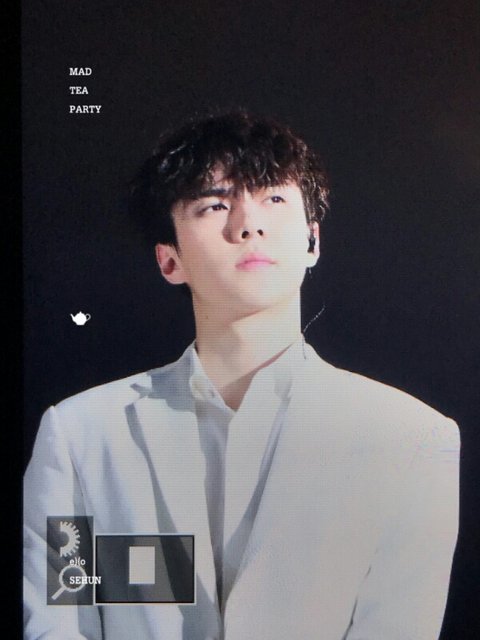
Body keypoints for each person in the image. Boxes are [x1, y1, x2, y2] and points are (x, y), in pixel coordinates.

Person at [24, 110, 460, 639]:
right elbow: (59, 623)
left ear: (312, 241)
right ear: (169, 260)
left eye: (273, 198)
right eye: (215, 204)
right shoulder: (80, 435)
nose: (248, 224)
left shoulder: (411, 439)